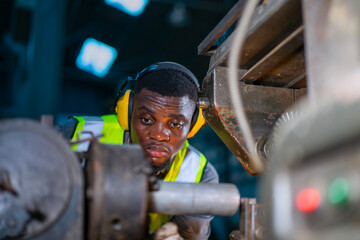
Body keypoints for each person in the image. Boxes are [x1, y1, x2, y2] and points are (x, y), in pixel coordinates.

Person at [59, 61, 219, 240]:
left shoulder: (199, 174)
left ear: (193, 125)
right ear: (127, 113)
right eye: (146, 119)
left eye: (175, 124)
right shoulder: (75, 136)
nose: (159, 135)